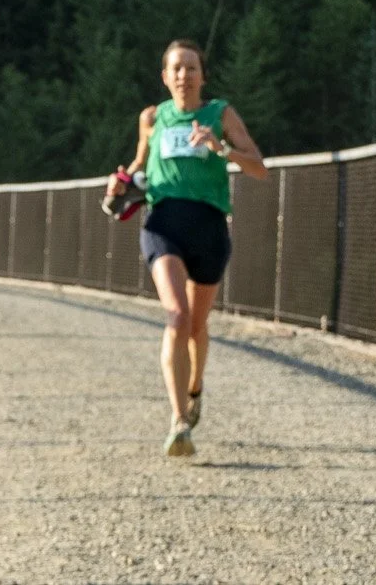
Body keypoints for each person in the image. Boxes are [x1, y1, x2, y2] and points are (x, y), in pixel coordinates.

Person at [107, 39, 267, 457]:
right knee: (176, 316)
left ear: (203, 76)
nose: (183, 75)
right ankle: (179, 421)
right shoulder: (152, 117)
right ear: (164, 77)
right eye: (176, 68)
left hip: (209, 228)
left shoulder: (220, 114)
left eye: (191, 68)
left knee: (196, 326)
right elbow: (139, 165)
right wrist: (120, 184)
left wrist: (221, 148)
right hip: (163, 225)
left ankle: (195, 387)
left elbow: (259, 168)